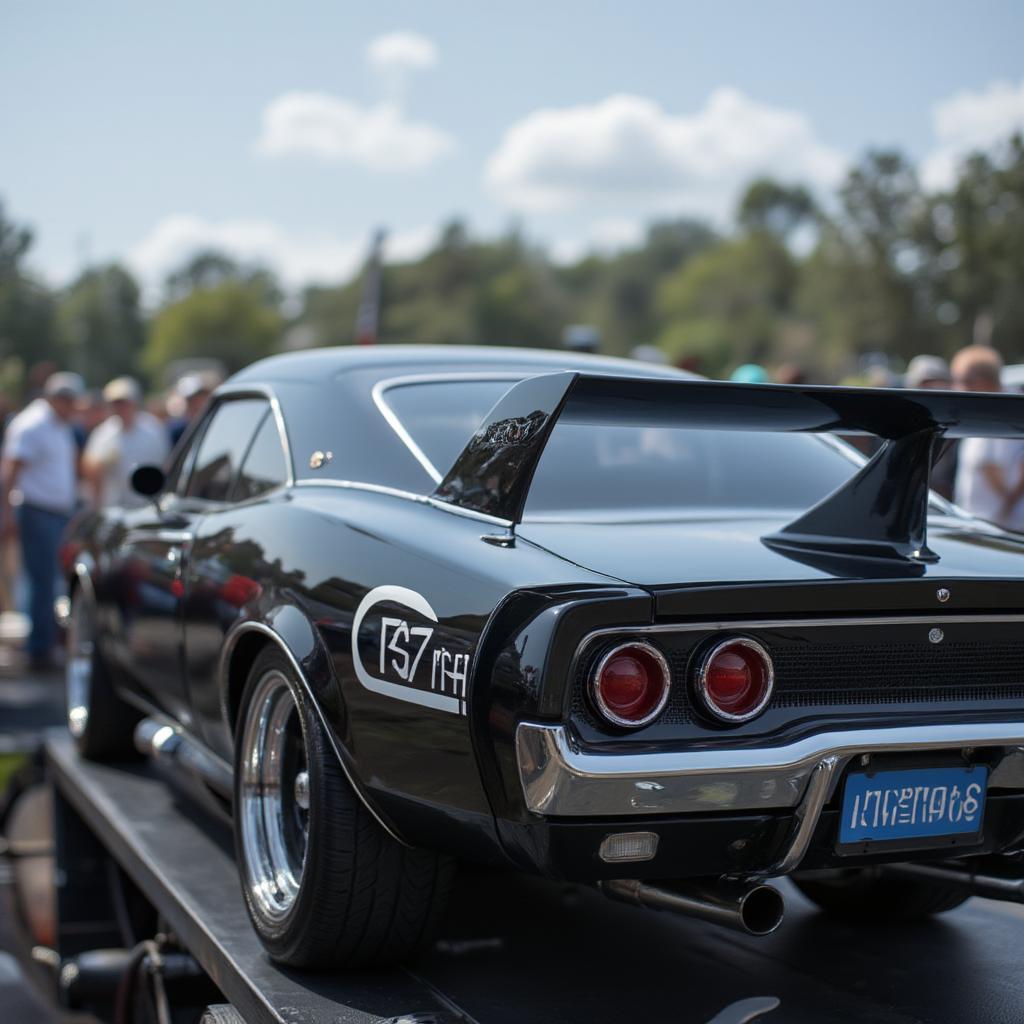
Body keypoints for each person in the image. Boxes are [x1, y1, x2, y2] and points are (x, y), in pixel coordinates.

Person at [1, 372, 85, 670]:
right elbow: (10, 470)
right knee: (42, 582)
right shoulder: (33, 424)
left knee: (49, 580)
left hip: (55, 512)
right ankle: (39, 650)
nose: (71, 406)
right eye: (67, 400)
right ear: (54, 398)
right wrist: (6, 515)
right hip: (37, 510)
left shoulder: (60, 425)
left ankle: (43, 644)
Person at [952, 345, 1024, 531]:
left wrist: (1001, 515)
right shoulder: (997, 408)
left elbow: (993, 467)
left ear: (981, 381)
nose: (957, 388)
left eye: (962, 380)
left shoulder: (1002, 412)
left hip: (999, 530)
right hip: (987, 527)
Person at [83, 377, 170, 509]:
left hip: (150, 505)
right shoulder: (103, 433)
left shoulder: (153, 428)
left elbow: (167, 463)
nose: (120, 408)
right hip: (116, 507)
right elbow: (90, 467)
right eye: (116, 403)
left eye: (124, 403)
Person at [904, 355, 957, 500]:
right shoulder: (899, 429)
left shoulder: (959, 427)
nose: (934, 389)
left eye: (940, 383)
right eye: (925, 384)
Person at [167, 372, 216, 447]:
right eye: (190, 400)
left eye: (200, 397)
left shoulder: (216, 422)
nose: (196, 404)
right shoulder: (176, 431)